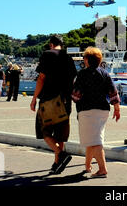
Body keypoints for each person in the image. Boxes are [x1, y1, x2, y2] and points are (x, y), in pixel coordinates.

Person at [30, 35, 77, 175]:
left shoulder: (47, 54)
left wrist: (33, 99)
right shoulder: (68, 58)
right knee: (60, 135)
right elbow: (73, 79)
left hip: (49, 99)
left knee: (43, 131)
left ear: (51, 45)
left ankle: (60, 154)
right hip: (65, 101)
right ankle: (57, 164)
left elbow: (41, 77)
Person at [72, 46, 121, 178]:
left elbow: (76, 97)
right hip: (102, 110)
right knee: (92, 138)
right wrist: (117, 109)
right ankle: (87, 166)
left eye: (84, 58)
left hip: (87, 110)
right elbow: (113, 93)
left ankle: (102, 169)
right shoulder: (105, 73)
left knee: (95, 141)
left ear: (87, 59)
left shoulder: (82, 74)